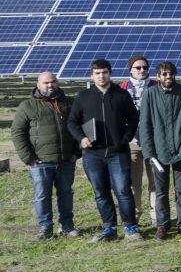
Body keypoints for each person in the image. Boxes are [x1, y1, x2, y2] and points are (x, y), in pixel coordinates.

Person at [68, 59, 141, 242]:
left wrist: (124, 139)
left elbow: (133, 119)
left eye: (105, 72)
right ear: (91, 75)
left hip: (118, 152)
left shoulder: (121, 95)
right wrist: (81, 138)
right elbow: (72, 122)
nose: (102, 76)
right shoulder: (83, 96)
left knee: (123, 190)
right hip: (93, 154)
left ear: (110, 73)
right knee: (101, 192)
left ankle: (130, 227)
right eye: (98, 73)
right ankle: (109, 228)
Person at [138, 61, 181, 240]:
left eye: (171, 74)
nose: (168, 77)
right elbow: (145, 125)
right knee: (160, 190)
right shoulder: (149, 94)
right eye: (164, 74)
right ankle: (162, 225)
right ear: (158, 76)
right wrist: (149, 152)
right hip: (158, 152)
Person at [13, 71, 79, 239]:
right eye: (46, 83)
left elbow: (80, 128)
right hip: (41, 162)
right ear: (38, 84)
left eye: (53, 82)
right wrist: (29, 158)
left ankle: (67, 226)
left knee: (66, 193)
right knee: (42, 196)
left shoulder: (69, 103)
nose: (50, 85)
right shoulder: (27, 106)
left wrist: (76, 153)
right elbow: (18, 133)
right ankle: (45, 228)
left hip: (66, 160)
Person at [121, 55, 157, 223]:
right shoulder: (122, 89)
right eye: (138, 68)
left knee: (156, 183)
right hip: (132, 144)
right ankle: (134, 217)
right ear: (130, 70)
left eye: (145, 67)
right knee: (134, 184)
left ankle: (157, 216)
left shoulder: (156, 86)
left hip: (155, 144)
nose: (142, 70)